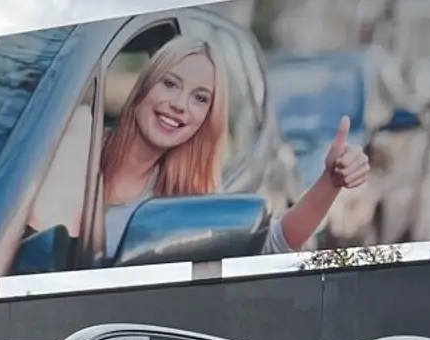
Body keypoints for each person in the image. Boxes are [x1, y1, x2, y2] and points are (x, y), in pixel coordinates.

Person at [95, 34, 371, 258]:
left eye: (200, 99)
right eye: (170, 84)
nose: (180, 105)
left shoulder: (187, 198)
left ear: (207, 119)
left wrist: (331, 181)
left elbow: (274, 243)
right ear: (145, 86)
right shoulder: (77, 147)